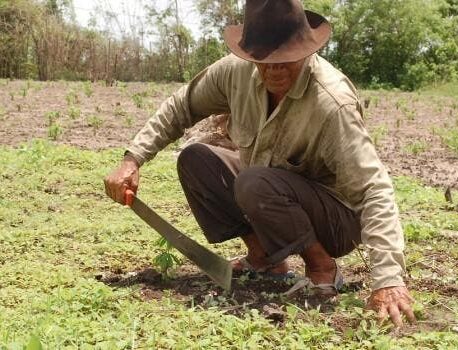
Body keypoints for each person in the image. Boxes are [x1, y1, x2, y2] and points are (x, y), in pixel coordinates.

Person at [104, 0, 415, 327]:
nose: (275, 69)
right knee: (196, 159)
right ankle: (265, 259)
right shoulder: (234, 73)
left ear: (306, 51)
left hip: (334, 218)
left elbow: (373, 189)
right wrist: (132, 158)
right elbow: (181, 105)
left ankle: (323, 267)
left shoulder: (331, 102)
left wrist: (389, 279)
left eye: (286, 59)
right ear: (250, 54)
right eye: (264, 60)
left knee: (255, 183)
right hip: (269, 188)